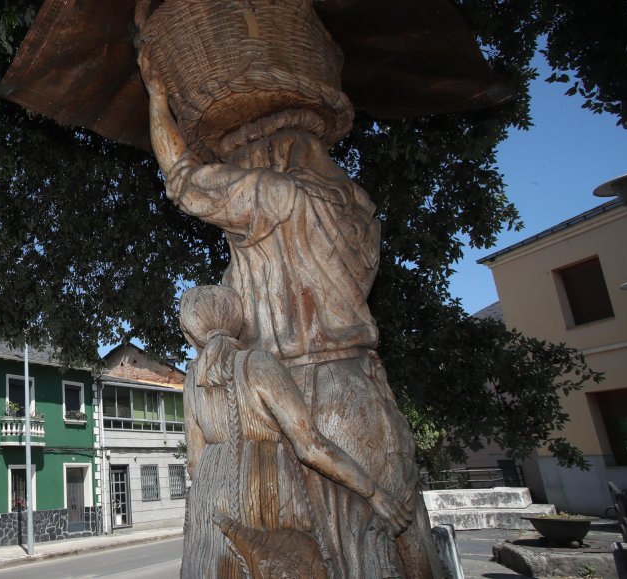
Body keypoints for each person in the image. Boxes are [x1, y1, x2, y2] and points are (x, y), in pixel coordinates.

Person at [141, 47, 441, 578]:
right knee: (399, 538)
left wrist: (157, 94)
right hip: (364, 384)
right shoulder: (351, 209)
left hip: (297, 388)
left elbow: (181, 176)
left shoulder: (270, 194)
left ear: (262, 155)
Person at [179, 285, 412, 578]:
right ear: (236, 320)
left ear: (191, 334)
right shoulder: (257, 364)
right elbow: (310, 446)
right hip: (262, 492)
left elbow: (195, 464)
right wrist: (374, 492)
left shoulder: (192, 383)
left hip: (209, 503)